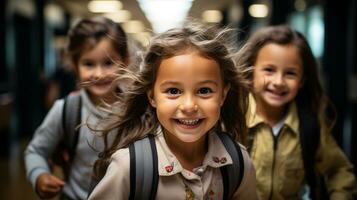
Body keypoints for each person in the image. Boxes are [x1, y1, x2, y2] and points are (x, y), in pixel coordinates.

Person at [88, 21, 257, 199]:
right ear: (152, 96)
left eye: (204, 91)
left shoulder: (238, 161)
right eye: (173, 91)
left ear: (223, 95)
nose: (189, 106)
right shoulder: (130, 166)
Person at [237, 25, 357, 199]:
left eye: (290, 73)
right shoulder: (233, 118)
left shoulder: (309, 125)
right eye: (269, 70)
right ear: (251, 72)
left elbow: (339, 170)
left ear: (302, 81)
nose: (278, 81)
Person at [24, 16, 130, 200]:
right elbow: (36, 151)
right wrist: (39, 175)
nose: (99, 73)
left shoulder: (138, 110)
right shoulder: (66, 110)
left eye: (108, 63)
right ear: (74, 65)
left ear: (125, 61)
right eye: (89, 64)